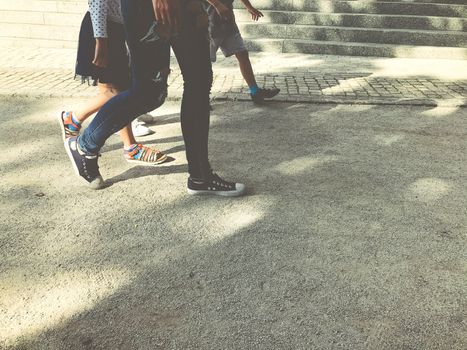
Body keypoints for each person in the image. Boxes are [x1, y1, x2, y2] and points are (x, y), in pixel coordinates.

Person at [63, 0, 246, 197]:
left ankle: (200, 177)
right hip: (145, 7)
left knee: (199, 80)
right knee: (149, 93)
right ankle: (84, 145)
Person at [58, 0, 167, 166]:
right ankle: (129, 146)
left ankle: (73, 119)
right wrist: (101, 40)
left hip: (115, 29)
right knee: (118, 92)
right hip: (104, 31)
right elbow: (97, 2)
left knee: (115, 91)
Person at [205, 0, 280, 103]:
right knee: (204, 62)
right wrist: (217, 4)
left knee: (242, 54)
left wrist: (249, 6)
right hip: (209, 25)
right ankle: (202, 97)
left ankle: (255, 92)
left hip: (228, 25)